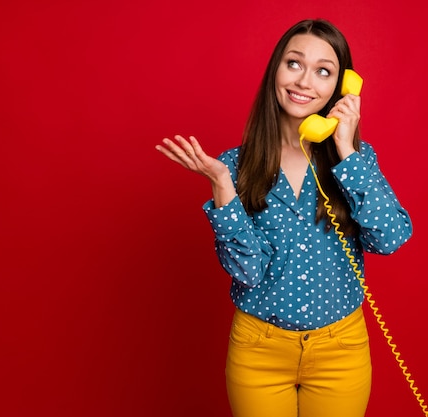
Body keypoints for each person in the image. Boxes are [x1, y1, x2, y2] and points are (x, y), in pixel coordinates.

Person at [155, 18, 412, 417]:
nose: (305, 81)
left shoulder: (356, 161)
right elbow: (249, 272)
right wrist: (223, 186)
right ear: (276, 70)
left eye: (323, 71)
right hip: (259, 349)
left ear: (341, 87)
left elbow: (391, 237)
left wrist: (345, 148)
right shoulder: (235, 166)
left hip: (339, 350)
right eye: (294, 64)